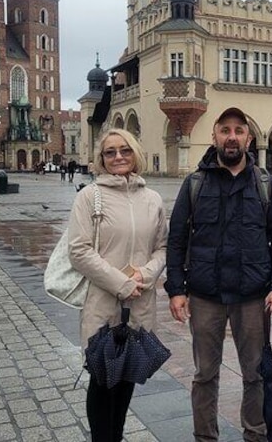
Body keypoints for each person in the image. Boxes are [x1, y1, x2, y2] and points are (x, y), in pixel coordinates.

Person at [165, 107, 272, 442]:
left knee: (255, 374)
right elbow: (177, 238)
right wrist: (176, 289)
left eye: (239, 130)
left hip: (253, 296)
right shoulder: (195, 184)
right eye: (225, 130)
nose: (232, 137)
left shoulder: (267, 186)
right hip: (206, 294)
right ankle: (205, 437)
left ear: (249, 138)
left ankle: (255, 435)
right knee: (205, 374)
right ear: (215, 136)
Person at [68, 128, 168, 441]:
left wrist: (145, 275)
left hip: (139, 303)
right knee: (101, 379)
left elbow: (162, 247)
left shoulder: (152, 199)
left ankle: (117, 435)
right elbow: (78, 250)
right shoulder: (89, 196)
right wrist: (122, 283)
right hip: (103, 303)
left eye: (124, 150)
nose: (118, 157)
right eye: (110, 152)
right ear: (101, 159)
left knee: (126, 376)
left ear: (135, 152)